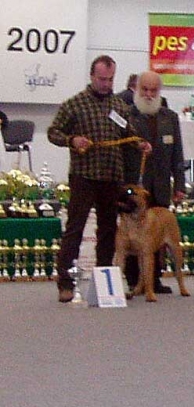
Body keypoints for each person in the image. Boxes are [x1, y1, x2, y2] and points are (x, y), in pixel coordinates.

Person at [47, 55, 151, 303]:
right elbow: (53, 132)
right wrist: (72, 140)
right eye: (102, 79)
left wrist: (140, 144)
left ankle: (104, 281)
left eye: (111, 79)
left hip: (111, 177)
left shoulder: (119, 106)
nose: (106, 83)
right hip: (84, 175)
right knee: (75, 228)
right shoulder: (75, 104)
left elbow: (129, 133)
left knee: (108, 230)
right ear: (92, 76)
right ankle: (65, 282)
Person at [122, 70, 187, 294]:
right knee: (133, 233)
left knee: (157, 236)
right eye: (145, 90)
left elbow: (177, 154)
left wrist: (179, 185)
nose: (149, 94)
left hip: (160, 185)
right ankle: (133, 281)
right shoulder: (127, 115)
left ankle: (154, 280)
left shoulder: (170, 117)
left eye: (153, 90)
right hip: (135, 186)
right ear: (137, 90)